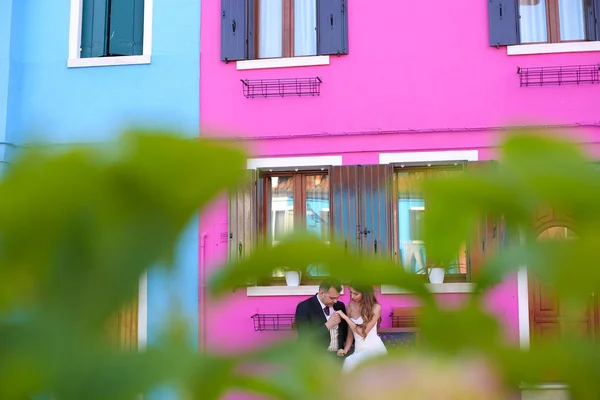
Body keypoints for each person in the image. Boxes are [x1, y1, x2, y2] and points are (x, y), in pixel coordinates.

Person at [335, 284, 387, 373]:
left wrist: (346, 318)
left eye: (356, 294)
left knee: (352, 363)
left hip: (374, 349)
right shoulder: (350, 307)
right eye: (351, 293)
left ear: (365, 293)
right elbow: (350, 333)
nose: (352, 296)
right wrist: (345, 350)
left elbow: (363, 333)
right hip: (359, 350)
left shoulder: (376, 307)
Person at [294, 278, 348, 358]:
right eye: (332, 298)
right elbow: (305, 337)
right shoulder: (304, 307)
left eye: (337, 297)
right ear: (322, 293)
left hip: (338, 356)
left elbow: (345, 330)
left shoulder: (340, 305)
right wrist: (328, 325)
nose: (336, 301)